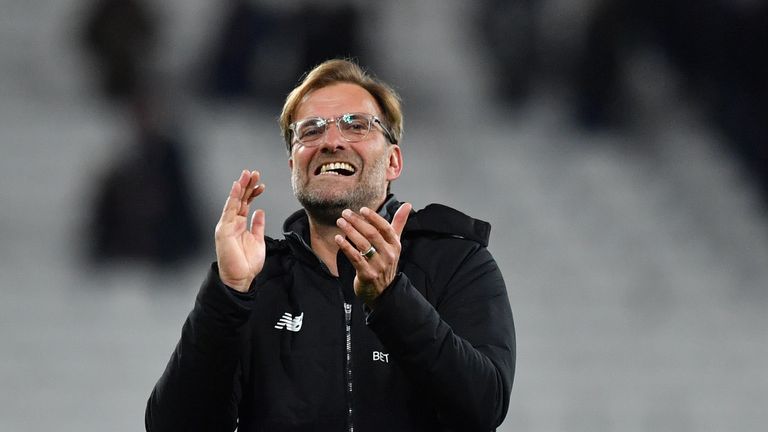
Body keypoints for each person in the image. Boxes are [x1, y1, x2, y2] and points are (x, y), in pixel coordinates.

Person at [145, 59, 515, 431]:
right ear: (293, 164)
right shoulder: (258, 282)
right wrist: (229, 294)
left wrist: (391, 299)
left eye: (356, 126)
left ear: (393, 161)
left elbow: (482, 408)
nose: (331, 141)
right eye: (310, 131)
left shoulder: (457, 262)